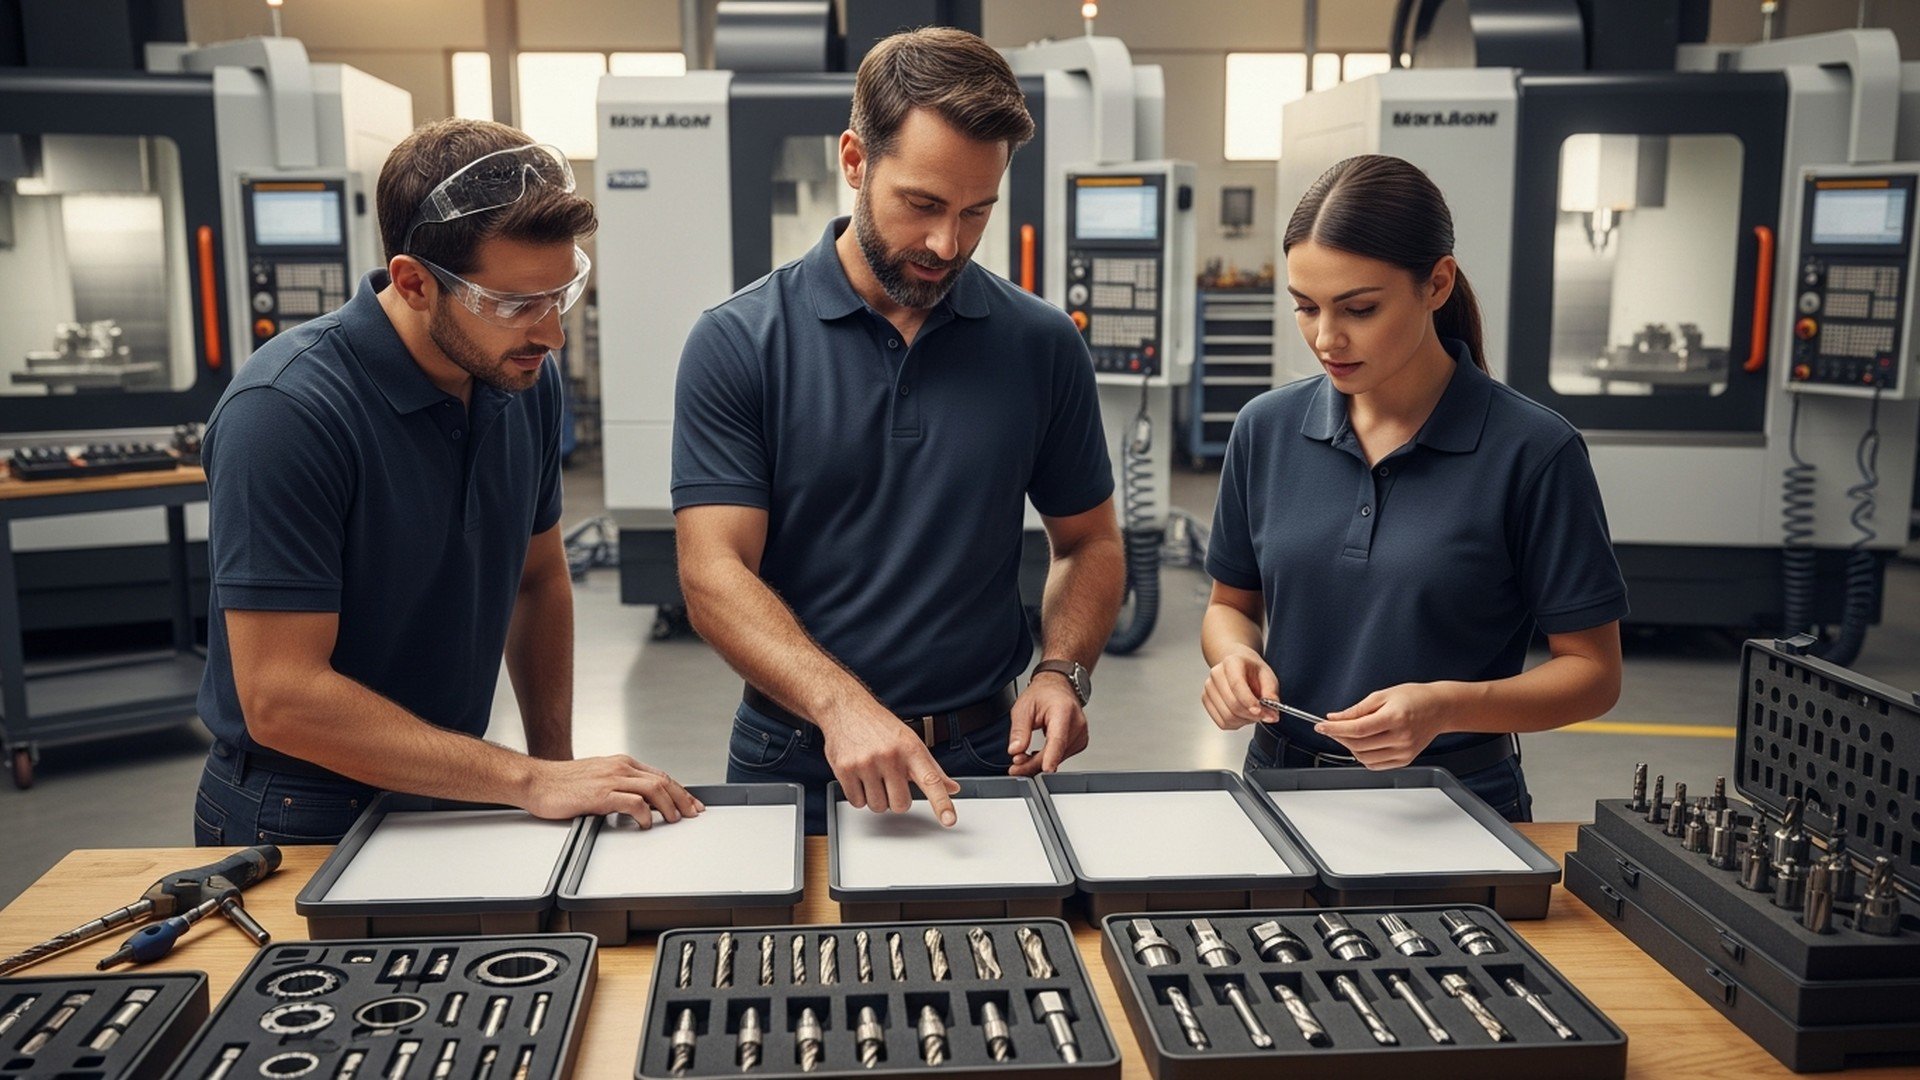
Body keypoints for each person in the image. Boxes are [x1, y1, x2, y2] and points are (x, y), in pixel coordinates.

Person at [192, 119, 700, 845]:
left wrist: (553, 765)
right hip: (298, 808)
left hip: (453, 780)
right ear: (414, 282)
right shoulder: (285, 414)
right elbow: (282, 698)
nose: (550, 334)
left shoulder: (523, 379)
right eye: (516, 304)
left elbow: (537, 579)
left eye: (561, 294)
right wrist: (528, 782)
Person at [673, 27, 1125, 834]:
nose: (947, 244)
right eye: (922, 205)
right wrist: (839, 704)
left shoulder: (1041, 345)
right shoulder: (739, 341)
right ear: (854, 160)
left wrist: (1063, 671)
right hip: (798, 758)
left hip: (988, 755)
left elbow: (1089, 542)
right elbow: (713, 573)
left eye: (976, 211)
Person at [1199, 154, 1627, 821]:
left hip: (1453, 804)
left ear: (1437, 283)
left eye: (1360, 308)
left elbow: (1594, 675)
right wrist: (1232, 660)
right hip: (1277, 792)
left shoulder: (1534, 452)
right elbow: (1230, 605)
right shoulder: (1267, 429)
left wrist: (1449, 706)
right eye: (1306, 308)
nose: (1326, 338)